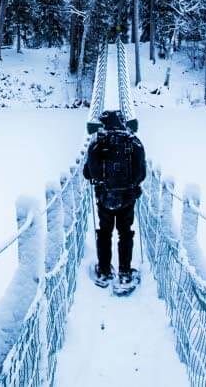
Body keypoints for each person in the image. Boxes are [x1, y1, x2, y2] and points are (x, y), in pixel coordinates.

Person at [83, 109, 147, 289]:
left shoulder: (97, 142)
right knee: (125, 232)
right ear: (123, 122)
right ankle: (125, 273)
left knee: (104, 232)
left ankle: (104, 271)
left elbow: (88, 173)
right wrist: (131, 185)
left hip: (104, 197)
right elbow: (141, 173)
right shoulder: (133, 142)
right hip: (127, 197)